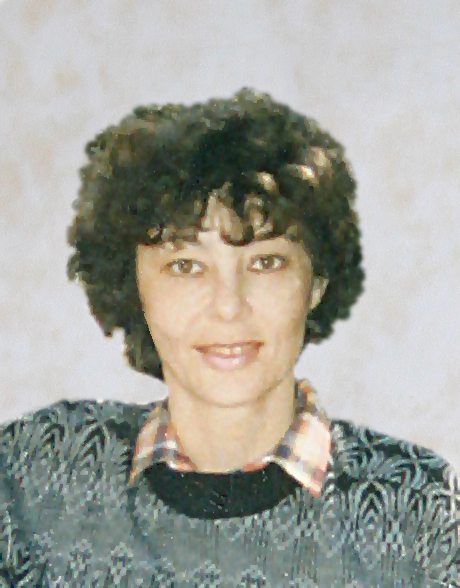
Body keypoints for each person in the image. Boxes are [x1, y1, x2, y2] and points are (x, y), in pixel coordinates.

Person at [0, 88, 457, 586]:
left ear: (316, 283)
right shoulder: (37, 476)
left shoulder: (417, 508)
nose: (228, 305)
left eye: (266, 262)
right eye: (185, 266)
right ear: (132, 286)